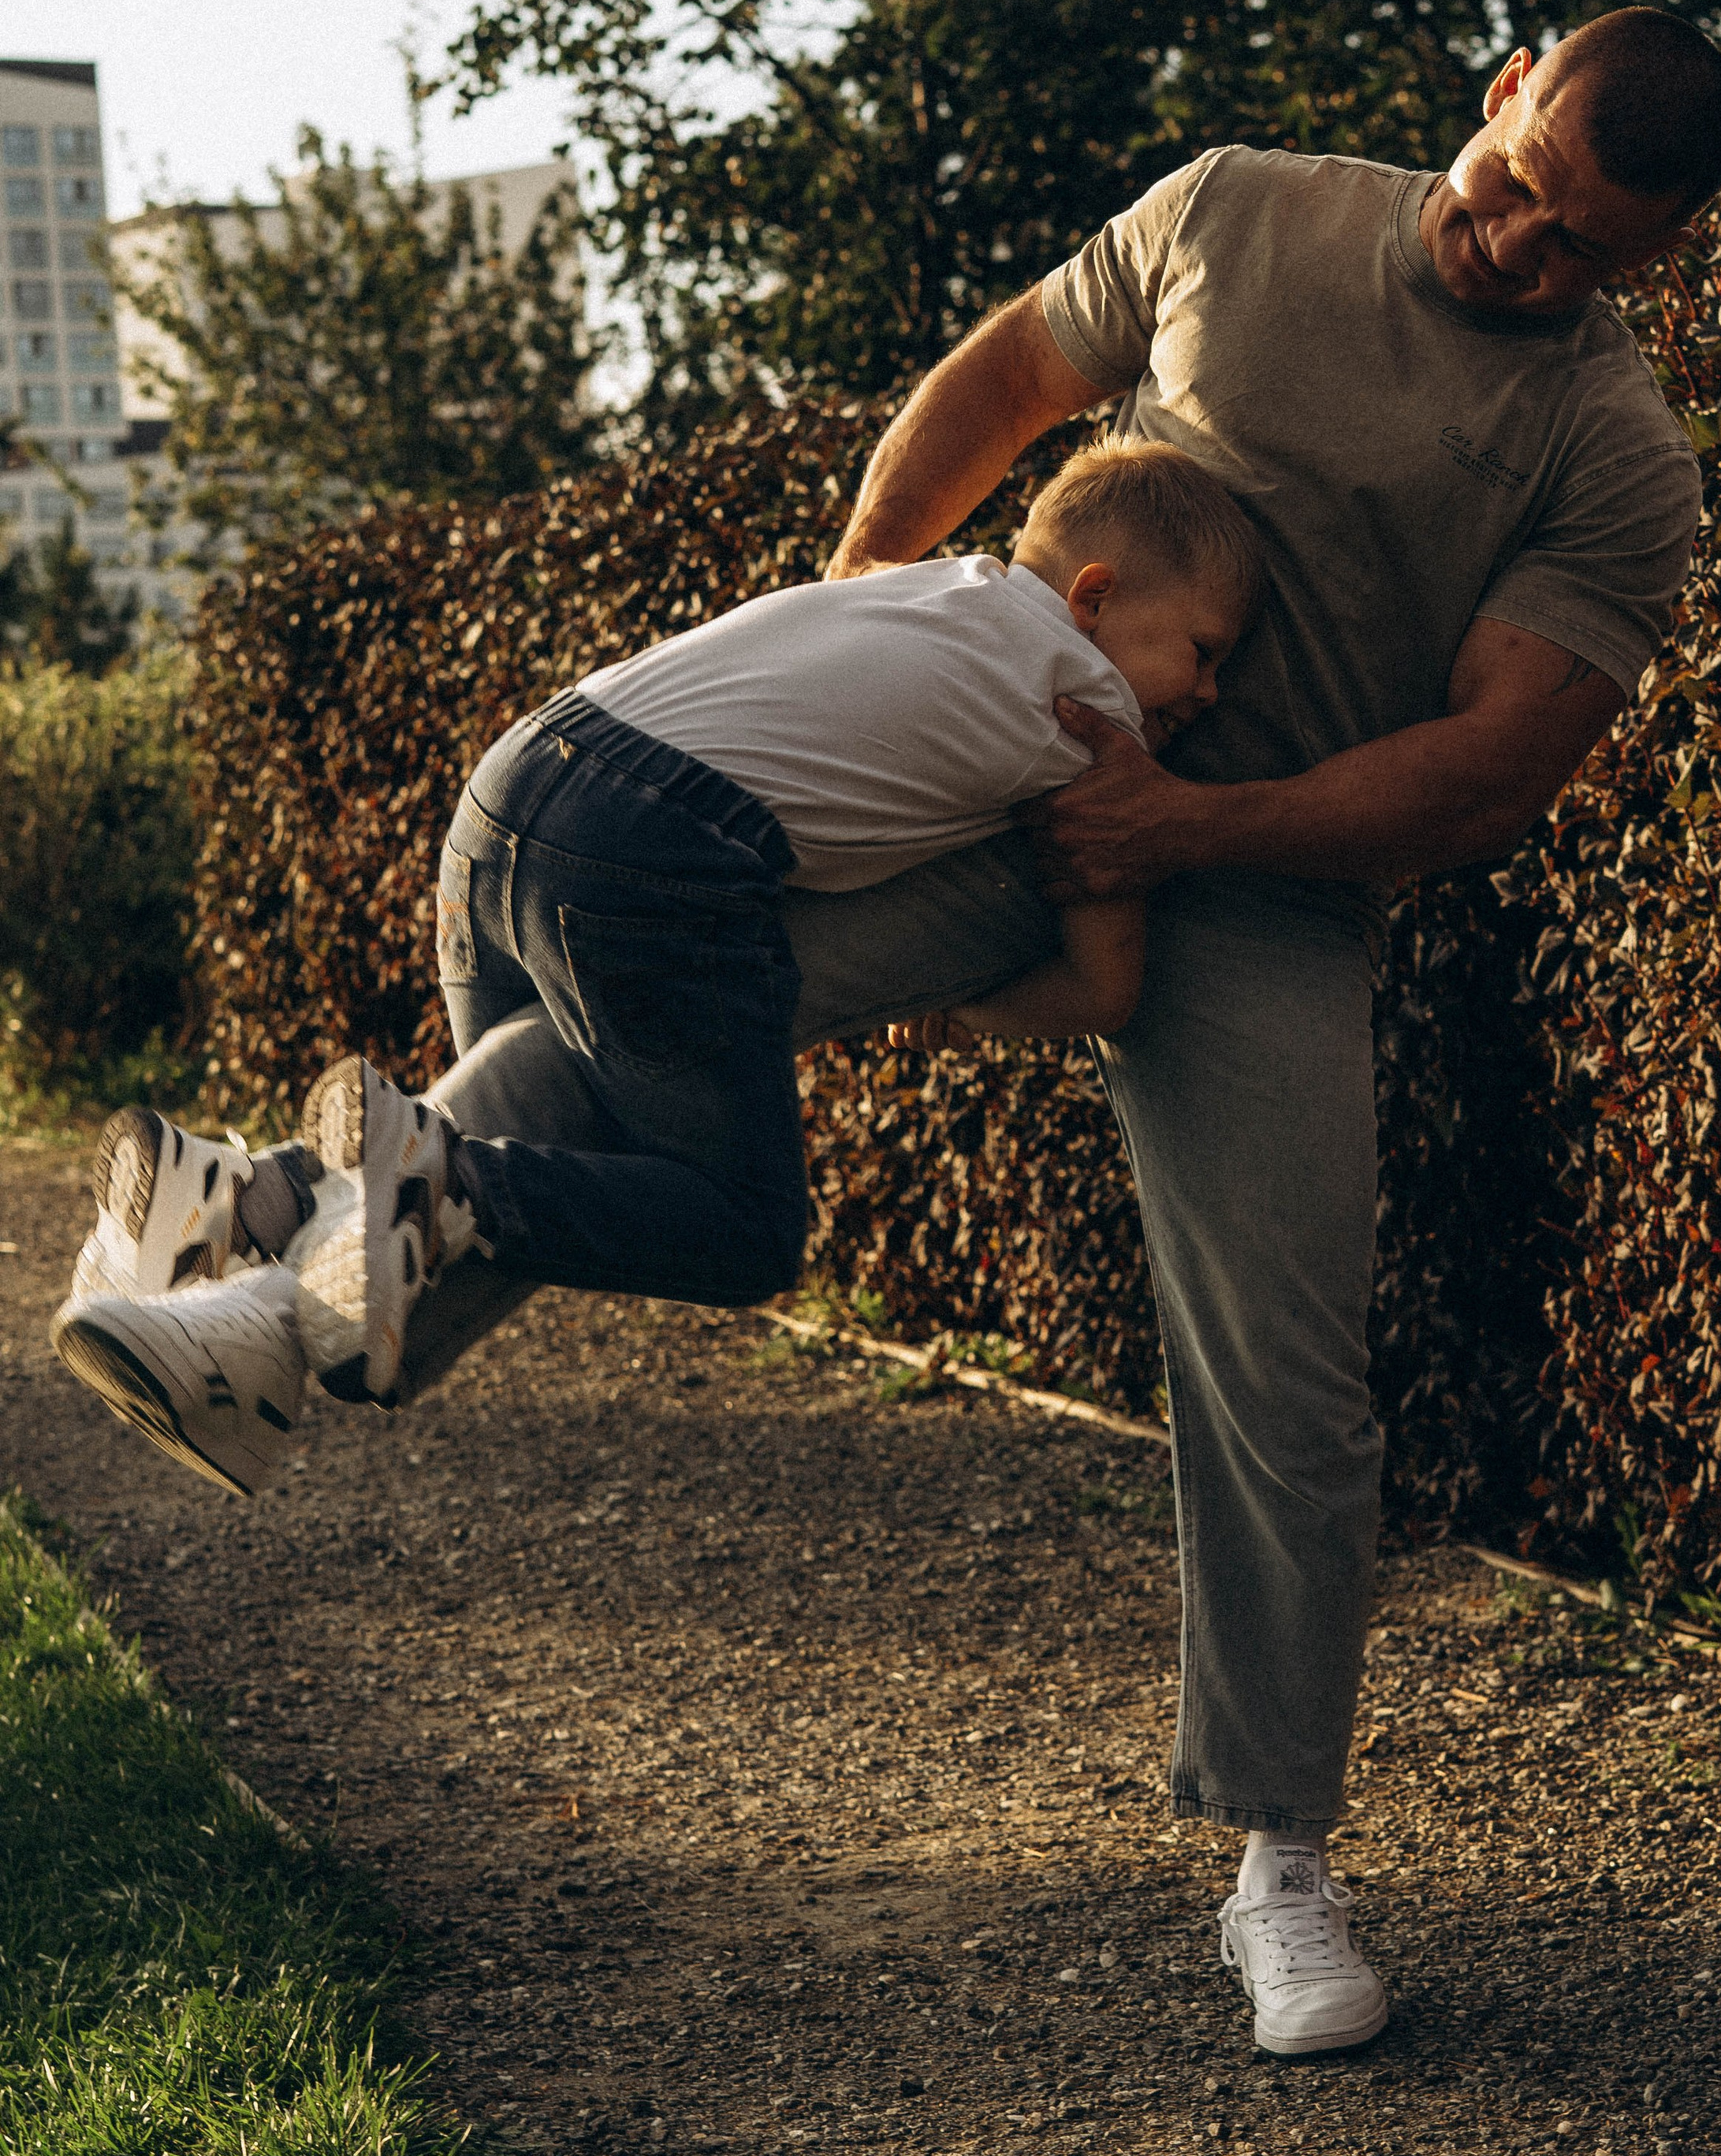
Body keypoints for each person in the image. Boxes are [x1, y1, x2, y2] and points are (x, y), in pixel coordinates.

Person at [62, 6, 1721, 2064]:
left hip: (1272, 898)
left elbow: (1493, 769)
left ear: (1648, 262)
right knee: (622, 1033)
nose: (1521, 253)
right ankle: (263, 1303)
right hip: (1012, 812)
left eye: (1584, 251)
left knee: (1286, 1390)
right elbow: (1003, 383)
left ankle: (1280, 1870)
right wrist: (861, 619)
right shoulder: (1236, 210)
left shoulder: (1611, 451)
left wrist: (1189, 820)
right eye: (1516, 191)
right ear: (1495, 93)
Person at [50, 431, 1259, 1450]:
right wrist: (964, 1007)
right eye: (1202, 652)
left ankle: (248, 1222)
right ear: (1094, 597)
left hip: (517, 787)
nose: (1204, 696)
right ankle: (418, 1188)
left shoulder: (930, 587)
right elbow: (1108, 985)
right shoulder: (1090, 705)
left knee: (534, 1148)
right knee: (737, 1227)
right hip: (650, 848)